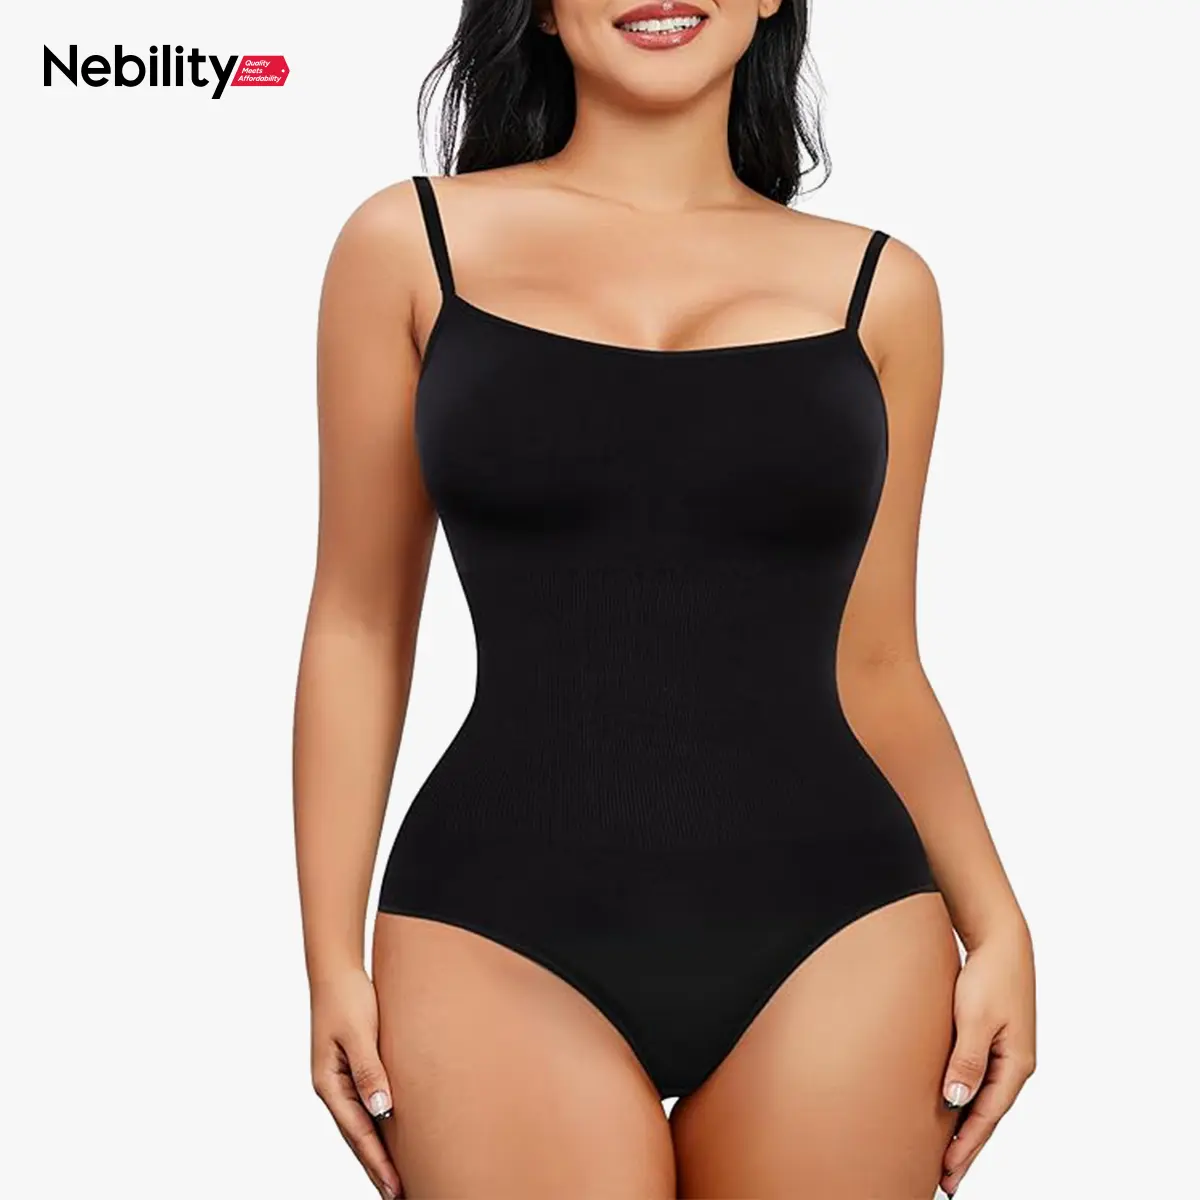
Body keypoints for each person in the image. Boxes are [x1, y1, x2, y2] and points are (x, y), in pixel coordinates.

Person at [293, 2, 1037, 1196]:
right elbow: (359, 627)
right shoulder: (410, 245)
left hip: (840, 931)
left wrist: (998, 924)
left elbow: (878, 663)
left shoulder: (881, 288)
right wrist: (329, 959)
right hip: (494, 927)